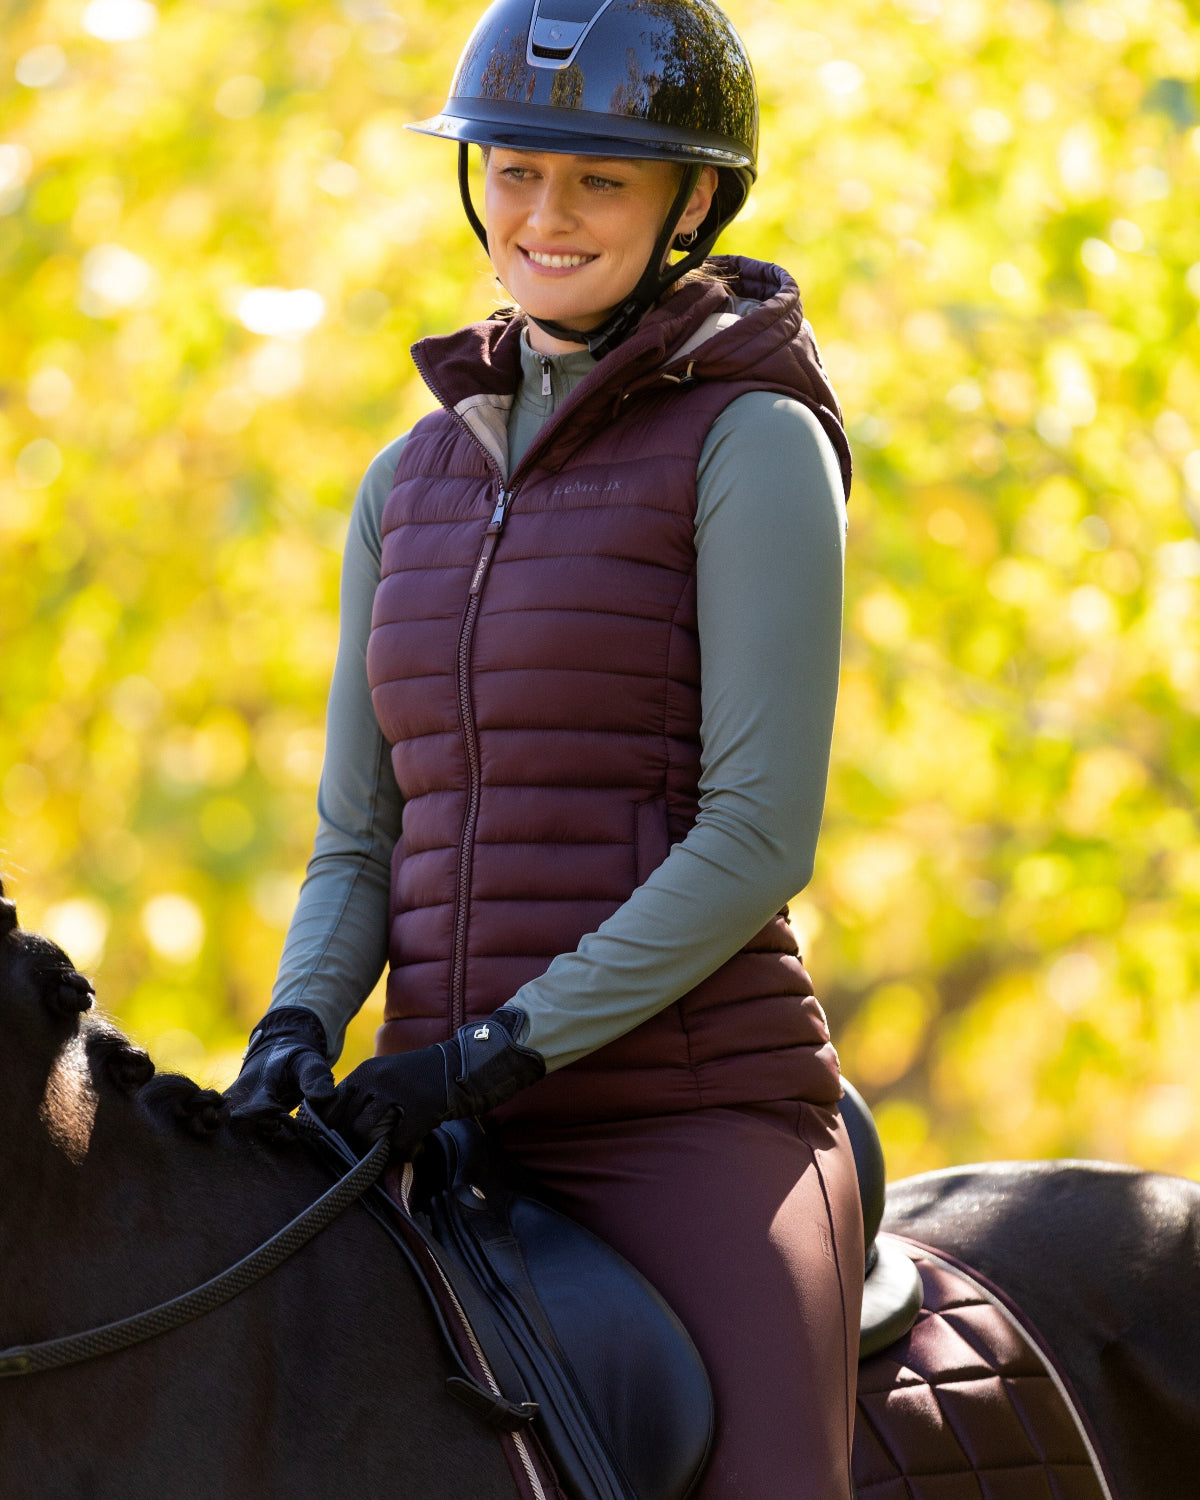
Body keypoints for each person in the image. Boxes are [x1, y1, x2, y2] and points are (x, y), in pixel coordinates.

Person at [226, 1, 863, 1494]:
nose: (545, 216)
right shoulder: (409, 479)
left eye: (600, 181)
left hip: (691, 1119)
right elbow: (359, 840)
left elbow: (759, 836)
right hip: (427, 1121)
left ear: (692, 202)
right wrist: (299, 1026)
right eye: (514, 171)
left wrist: (502, 1050)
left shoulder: (754, 442)